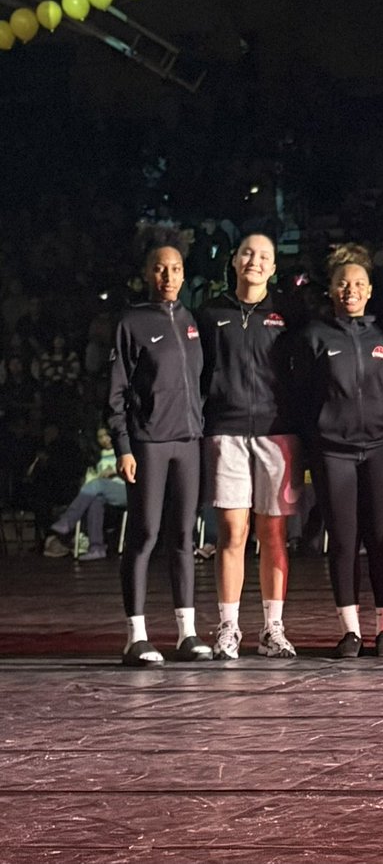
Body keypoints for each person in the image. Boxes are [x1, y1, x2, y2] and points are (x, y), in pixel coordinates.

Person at [198, 233, 301, 661]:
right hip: (226, 430)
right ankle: (229, 627)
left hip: (276, 434)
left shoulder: (288, 314)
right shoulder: (210, 313)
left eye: (263, 257)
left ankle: (272, 629)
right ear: (235, 261)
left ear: (273, 267)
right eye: (247, 254)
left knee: (272, 533)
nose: (254, 262)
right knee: (232, 533)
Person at [108, 242, 212, 666]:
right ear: (147, 274)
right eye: (159, 268)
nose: (168, 276)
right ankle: (136, 636)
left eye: (175, 269)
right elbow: (115, 391)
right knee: (145, 534)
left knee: (185, 537)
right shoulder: (131, 322)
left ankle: (187, 634)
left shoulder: (190, 321)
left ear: (184, 274)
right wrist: (123, 446)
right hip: (148, 444)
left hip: (188, 442)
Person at [296, 244, 383, 659]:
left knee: (381, 538)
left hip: (378, 447)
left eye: (358, 283)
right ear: (332, 290)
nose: (351, 290)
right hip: (333, 451)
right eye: (344, 283)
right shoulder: (315, 337)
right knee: (343, 540)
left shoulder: (382, 335)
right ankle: (351, 630)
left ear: (370, 290)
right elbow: (303, 395)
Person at [41, 426, 125, 561]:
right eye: (100, 437)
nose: (104, 439)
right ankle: (96, 547)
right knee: (95, 501)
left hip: (125, 491)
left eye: (106, 435)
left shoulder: (123, 451)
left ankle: (68, 521)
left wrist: (114, 471)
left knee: (98, 484)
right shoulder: (98, 457)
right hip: (104, 492)